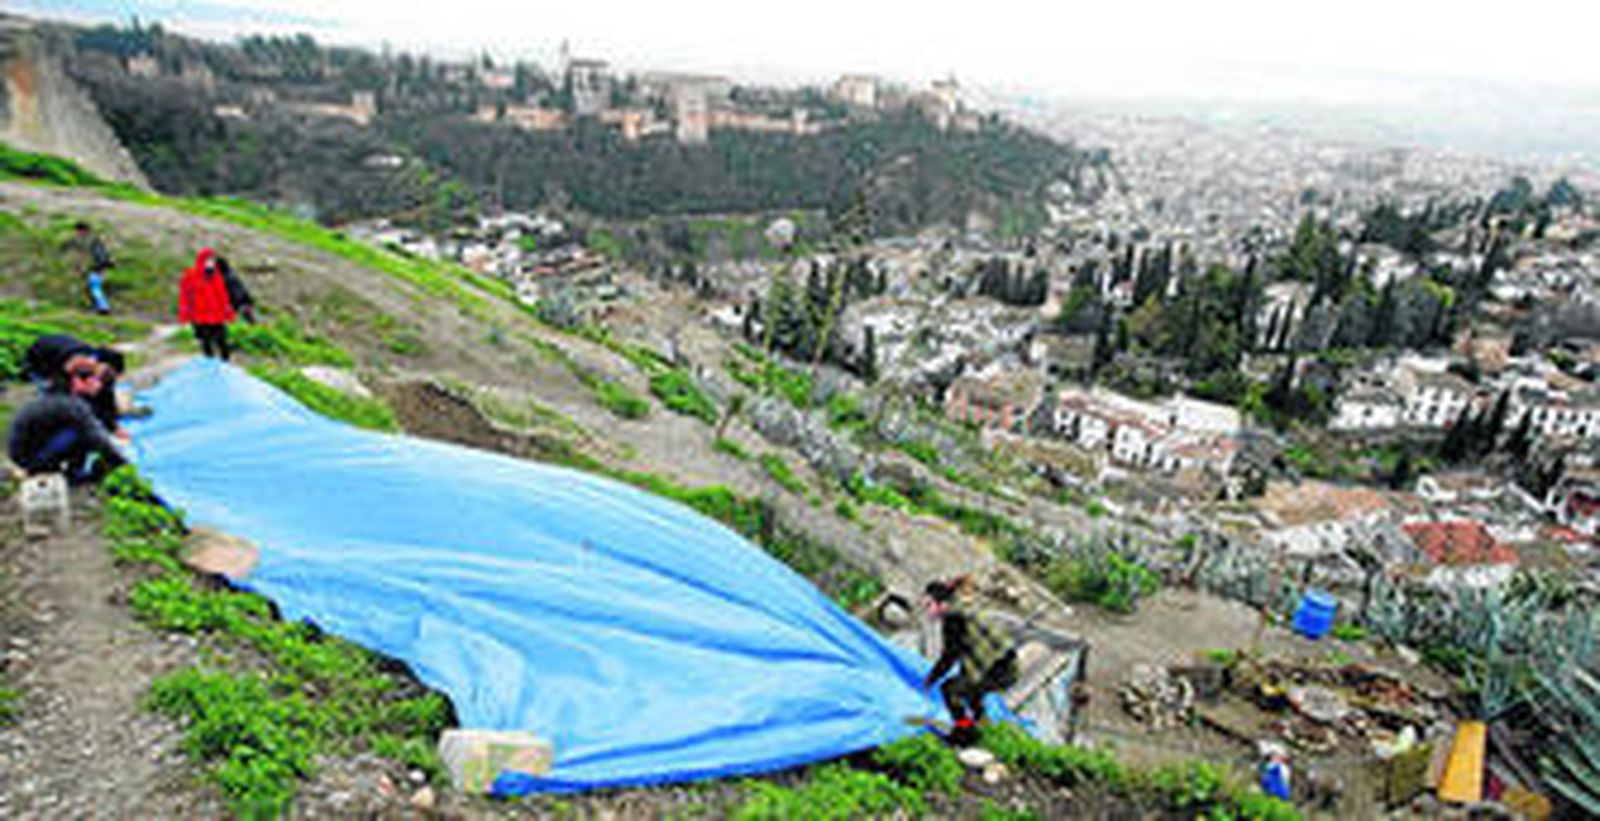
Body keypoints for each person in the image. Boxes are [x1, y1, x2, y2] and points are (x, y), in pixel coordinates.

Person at [7, 341, 127, 483]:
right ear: (78, 381)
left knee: (84, 431)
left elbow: (103, 408)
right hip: (28, 456)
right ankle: (55, 471)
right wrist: (123, 463)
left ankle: (70, 469)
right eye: (95, 381)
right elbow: (97, 438)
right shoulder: (71, 404)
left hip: (26, 447)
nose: (99, 385)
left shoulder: (60, 391)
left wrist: (113, 426)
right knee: (85, 435)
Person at [922, 575, 1019, 746]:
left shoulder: (953, 618)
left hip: (1000, 669)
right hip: (1004, 663)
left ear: (942, 604)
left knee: (950, 690)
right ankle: (983, 726)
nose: (927, 610)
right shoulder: (962, 606)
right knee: (971, 690)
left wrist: (931, 679)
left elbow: (949, 656)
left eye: (929, 605)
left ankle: (965, 733)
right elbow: (964, 652)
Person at [179, 247, 236, 360]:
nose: (210, 263)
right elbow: (185, 296)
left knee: (222, 341)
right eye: (208, 260)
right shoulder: (191, 277)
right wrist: (185, 314)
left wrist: (228, 311)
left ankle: (225, 364)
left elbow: (222, 295)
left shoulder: (216, 276)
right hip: (200, 316)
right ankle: (209, 367)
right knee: (206, 343)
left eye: (212, 260)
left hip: (217, 315)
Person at [72, 221, 114, 314]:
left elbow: (99, 256)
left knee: (95, 287)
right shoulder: (90, 240)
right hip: (95, 267)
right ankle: (98, 307)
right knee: (92, 288)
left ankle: (103, 307)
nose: (77, 234)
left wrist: (100, 267)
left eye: (78, 231)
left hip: (97, 268)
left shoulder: (93, 241)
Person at [215, 255, 257, 324]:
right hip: (243, 301)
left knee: (246, 320)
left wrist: (233, 305)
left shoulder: (225, 278)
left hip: (238, 303)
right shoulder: (231, 274)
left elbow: (233, 293)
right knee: (250, 320)